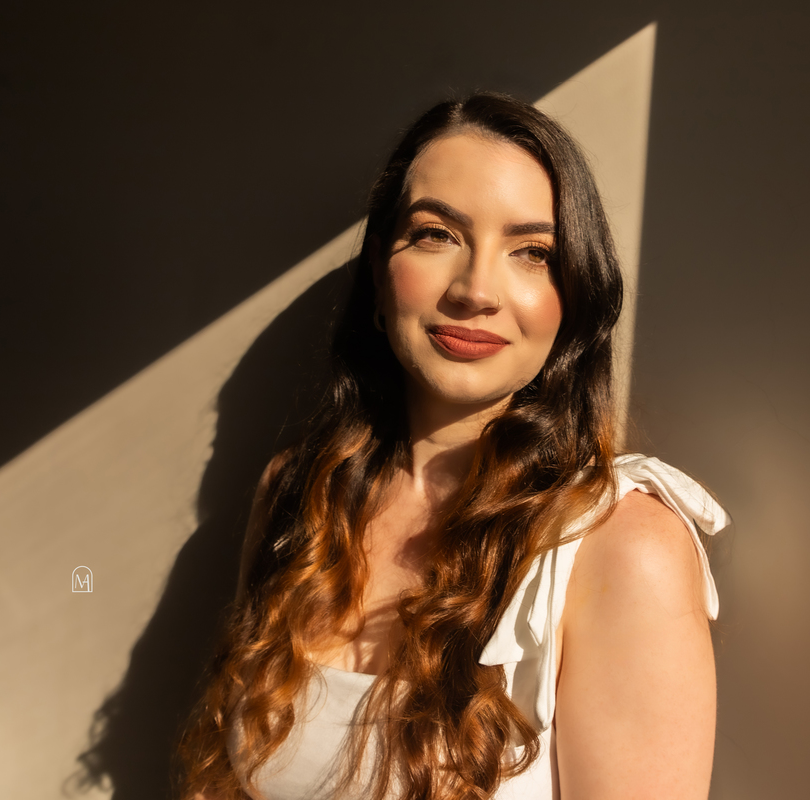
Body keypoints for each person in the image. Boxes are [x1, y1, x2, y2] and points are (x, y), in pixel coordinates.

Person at [174, 91, 730, 800]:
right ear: (380, 276)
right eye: (437, 234)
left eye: (533, 252)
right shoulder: (295, 494)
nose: (475, 290)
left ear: (574, 299)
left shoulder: (623, 545)